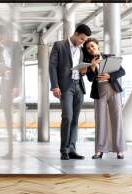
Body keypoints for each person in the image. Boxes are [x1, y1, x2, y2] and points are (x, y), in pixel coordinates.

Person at [49, 24, 91, 160]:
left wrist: (83, 71)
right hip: (65, 87)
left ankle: (72, 149)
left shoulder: (81, 50)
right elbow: (52, 66)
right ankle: (64, 150)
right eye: (82, 39)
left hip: (78, 86)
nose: (83, 42)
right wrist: (55, 86)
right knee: (67, 116)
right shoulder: (59, 45)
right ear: (76, 34)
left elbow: (79, 69)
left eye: (85, 40)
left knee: (75, 119)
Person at [82, 38, 127, 159]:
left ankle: (119, 150)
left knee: (117, 119)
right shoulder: (87, 61)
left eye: (92, 46)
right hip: (99, 91)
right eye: (88, 48)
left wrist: (109, 76)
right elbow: (90, 79)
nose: (91, 49)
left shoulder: (109, 57)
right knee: (100, 120)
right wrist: (92, 67)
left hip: (113, 90)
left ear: (97, 45)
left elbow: (122, 71)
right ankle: (99, 150)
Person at [0, 25, 22, 159]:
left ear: (7, 34)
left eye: (1, 38)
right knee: (6, 116)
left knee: (9, 117)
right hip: (4, 84)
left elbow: (18, 67)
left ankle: (10, 151)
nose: (0, 41)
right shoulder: (1, 49)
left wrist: (16, 86)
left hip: (11, 85)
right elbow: (4, 69)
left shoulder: (15, 46)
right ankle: (9, 150)